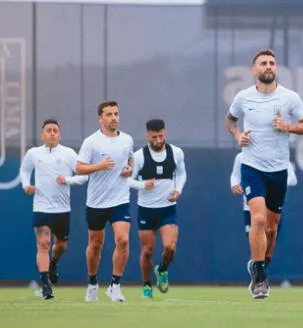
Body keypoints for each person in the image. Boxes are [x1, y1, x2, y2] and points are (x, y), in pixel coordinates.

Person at [225, 48, 303, 299]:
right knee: (259, 219)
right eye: (263, 63)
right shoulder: (243, 97)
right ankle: (261, 278)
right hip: (252, 166)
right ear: (254, 70)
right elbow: (230, 121)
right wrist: (237, 135)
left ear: (276, 69)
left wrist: (288, 126)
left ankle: (259, 265)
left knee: (272, 230)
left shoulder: (289, 97)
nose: (268, 67)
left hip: (278, 169)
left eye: (272, 63)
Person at [19, 119, 88, 299]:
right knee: (43, 244)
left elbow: (83, 176)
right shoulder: (34, 153)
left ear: (60, 135)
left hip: (62, 210)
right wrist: (27, 185)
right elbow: (25, 170)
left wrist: (67, 180)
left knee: (61, 245)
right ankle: (45, 284)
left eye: (55, 130)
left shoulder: (69, 154)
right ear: (42, 135)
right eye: (48, 130)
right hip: (41, 208)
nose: (51, 133)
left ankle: (54, 263)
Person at [76, 100, 134, 302]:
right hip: (96, 202)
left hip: (120, 200)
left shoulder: (127, 139)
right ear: (100, 118)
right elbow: (79, 168)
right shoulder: (91, 142)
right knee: (95, 244)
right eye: (108, 114)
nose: (113, 118)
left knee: (123, 240)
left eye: (116, 114)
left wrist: (129, 169)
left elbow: (129, 160)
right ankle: (92, 283)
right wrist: (98, 166)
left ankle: (115, 285)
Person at [128, 119, 187, 299]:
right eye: (154, 137)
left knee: (170, 247)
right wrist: (143, 185)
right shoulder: (139, 156)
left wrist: (178, 190)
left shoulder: (176, 152)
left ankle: (162, 269)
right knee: (147, 251)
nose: (158, 140)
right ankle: (146, 286)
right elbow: (128, 180)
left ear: (165, 133)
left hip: (168, 209)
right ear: (148, 136)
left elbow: (182, 173)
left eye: (161, 136)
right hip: (146, 210)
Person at [230, 151, 297, 293]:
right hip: (250, 207)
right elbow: (235, 175)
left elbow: (292, 178)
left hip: (272, 205)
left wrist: (273, 184)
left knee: (270, 237)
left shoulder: (279, 156)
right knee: (256, 230)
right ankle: (258, 275)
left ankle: (258, 270)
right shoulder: (242, 156)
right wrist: (235, 184)